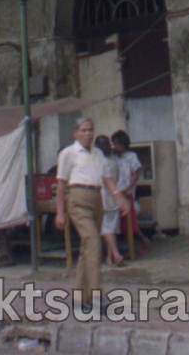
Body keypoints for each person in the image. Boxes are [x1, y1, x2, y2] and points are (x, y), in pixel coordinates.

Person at [55, 117, 129, 314]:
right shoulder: (68, 154)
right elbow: (61, 184)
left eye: (91, 130)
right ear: (75, 133)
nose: (88, 134)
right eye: (84, 130)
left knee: (87, 249)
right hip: (78, 199)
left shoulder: (98, 155)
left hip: (97, 200)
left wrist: (120, 198)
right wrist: (60, 212)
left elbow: (108, 180)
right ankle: (96, 297)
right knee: (94, 244)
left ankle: (80, 299)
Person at [111, 130, 151, 253]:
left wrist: (128, 188)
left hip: (127, 193)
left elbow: (135, 175)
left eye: (118, 144)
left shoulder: (131, 156)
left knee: (130, 221)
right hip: (117, 193)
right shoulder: (114, 158)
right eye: (114, 144)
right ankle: (130, 246)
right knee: (121, 222)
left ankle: (140, 242)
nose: (116, 146)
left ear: (124, 143)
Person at [95, 136, 124, 267]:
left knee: (106, 228)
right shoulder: (114, 160)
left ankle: (115, 255)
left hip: (102, 197)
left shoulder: (97, 161)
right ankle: (110, 257)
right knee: (112, 228)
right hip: (114, 197)